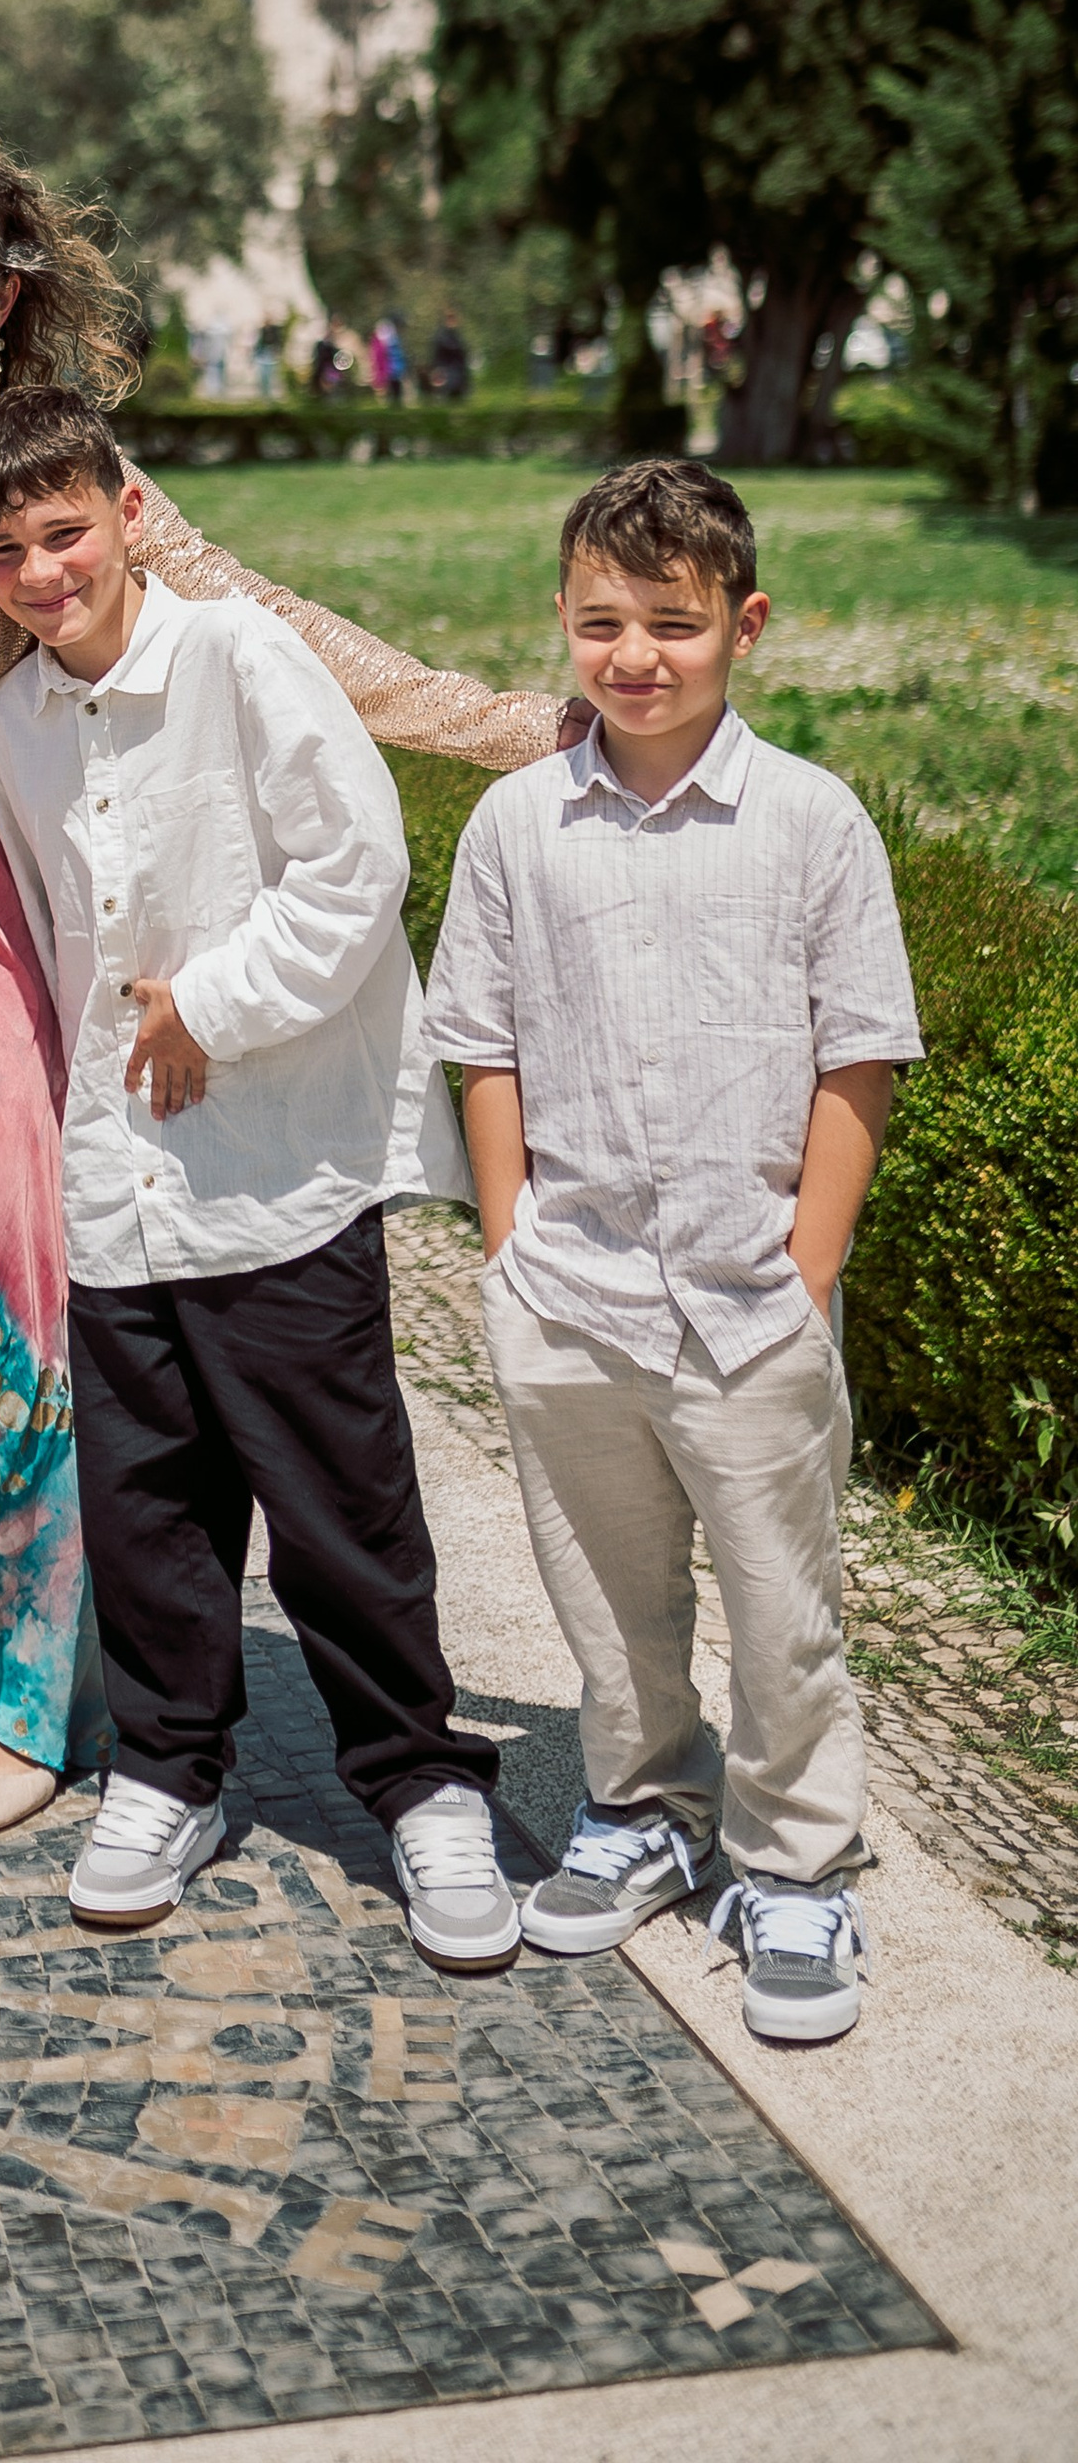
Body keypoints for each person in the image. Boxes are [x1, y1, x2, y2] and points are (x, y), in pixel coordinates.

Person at [0, 121, 557, 1840]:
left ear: (4, 291)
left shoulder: (51, 471)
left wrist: (530, 725)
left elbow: (278, 626)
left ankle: (28, 1678)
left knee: (9, 1294)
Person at [0, 387, 515, 1969]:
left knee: (337, 1493)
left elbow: (358, 868)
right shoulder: (10, 726)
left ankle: (421, 1781)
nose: (44, 571)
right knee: (146, 1500)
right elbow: (54, 928)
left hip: (274, 1166)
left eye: (66, 532)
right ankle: (170, 1764)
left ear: (128, 516)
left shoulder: (240, 658)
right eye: (7, 550)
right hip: (111, 1173)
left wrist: (213, 1001)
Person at [423, 460, 922, 2043]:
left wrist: (808, 1267)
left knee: (784, 1606)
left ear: (744, 625)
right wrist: (508, 1243)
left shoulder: (812, 823)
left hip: (749, 1299)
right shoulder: (518, 822)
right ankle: (644, 1806)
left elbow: (863, 1055)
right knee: (609, 1596)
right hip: (567, 1293)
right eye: (600, 623)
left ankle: (793, 1862)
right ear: (563, 625)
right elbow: (481, 1040)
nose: (634, 655)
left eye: (672, 624)